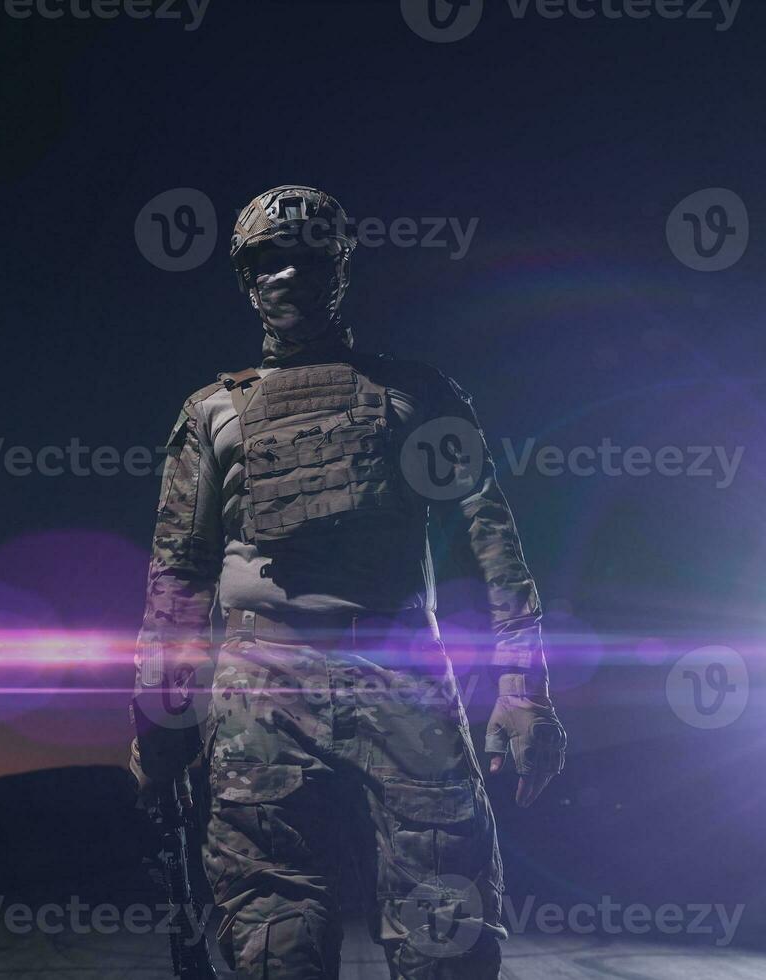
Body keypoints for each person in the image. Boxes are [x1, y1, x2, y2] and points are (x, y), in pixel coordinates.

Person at [130, 185, 566, 979]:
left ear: (338, 270)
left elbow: (490, 543)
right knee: (272, 938)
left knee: (446, 931)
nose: (286, 277)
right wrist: (162, 719)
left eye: (305, 258)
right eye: (267, 261)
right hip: (263, 688)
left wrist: (525, 691)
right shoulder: (213, 414)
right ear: (244, 279)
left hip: (397, 673)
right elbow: (179, 577)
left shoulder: (417, 396)